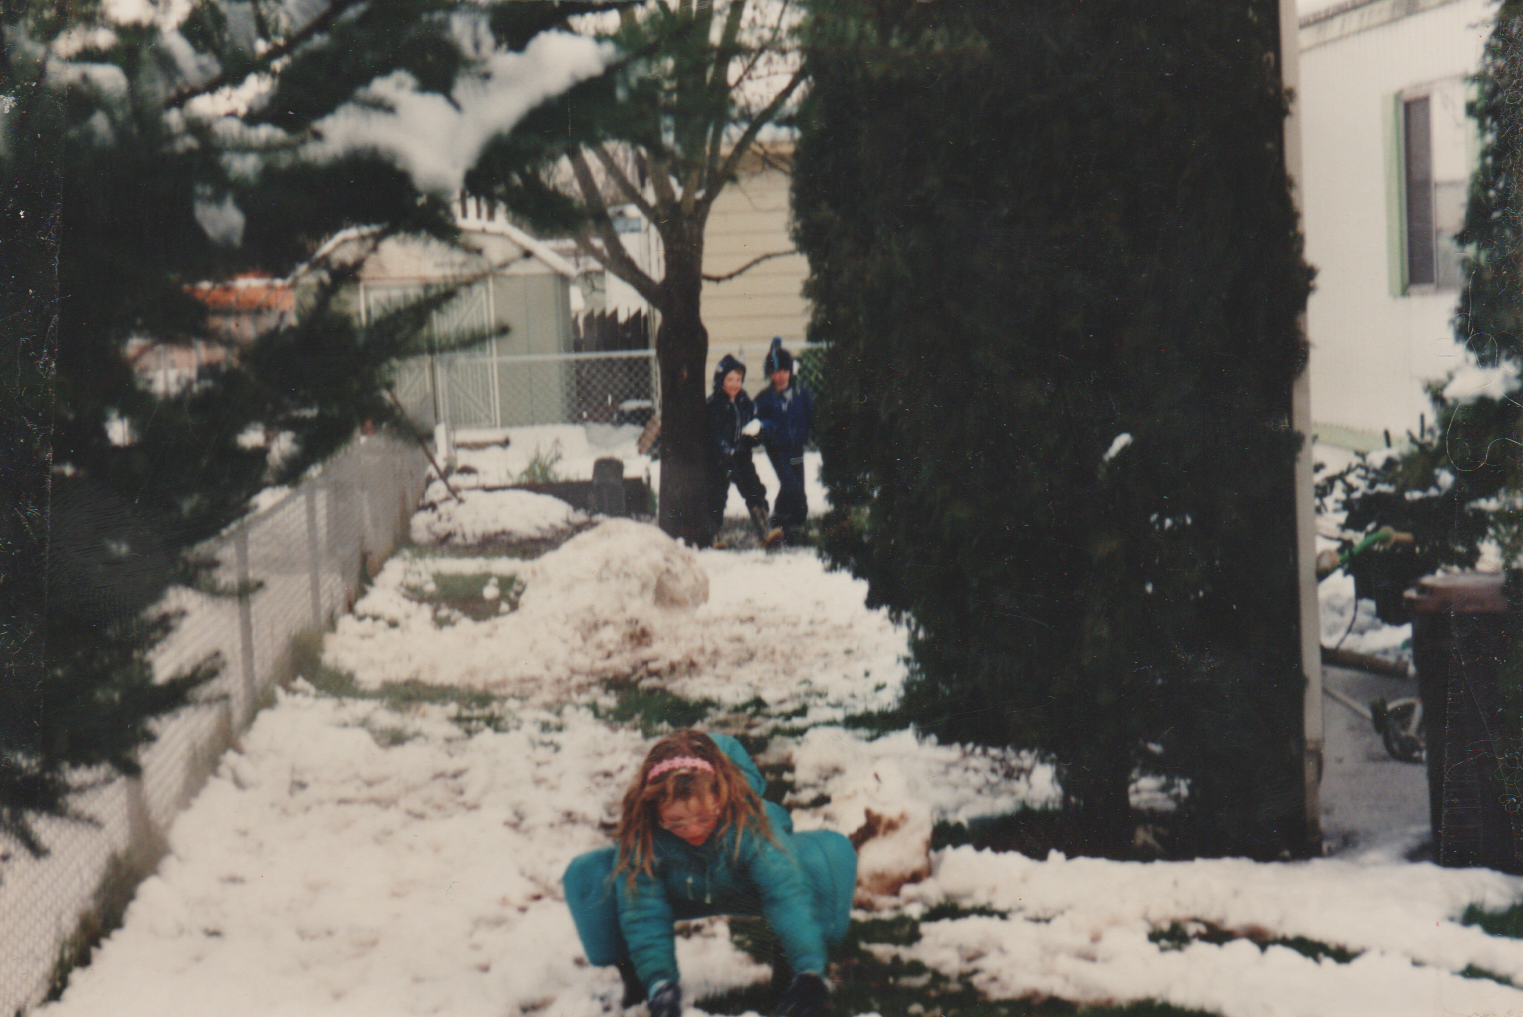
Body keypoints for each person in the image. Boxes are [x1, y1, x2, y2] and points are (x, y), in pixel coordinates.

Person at [562, 730, 856, 1017]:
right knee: (591, 874)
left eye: (704, 817)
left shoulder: (748, 820)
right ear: (654, 807)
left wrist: (809, 968)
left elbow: (785, 891)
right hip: (683, 888)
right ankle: (638, 984)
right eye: (676, 821)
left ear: (722, 796)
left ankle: (792, 977)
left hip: (746, 885)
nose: (692, 829)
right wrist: (659, 982)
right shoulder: (646, 832)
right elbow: (643, 910)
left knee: (821, 862)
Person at [706, 354, 779, 547]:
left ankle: (764, 529)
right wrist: (724, 451)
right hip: (719, 460)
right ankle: (714, 533)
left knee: (754, 489)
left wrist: (755, 435)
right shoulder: (714, 404)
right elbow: (713, 433)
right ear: (720, 380)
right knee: (716, 495)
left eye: (738, 380)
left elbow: (754, 427)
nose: (734, 384)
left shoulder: (746, 403)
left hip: (742, 457)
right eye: (729, 379)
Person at [753, 338, 814, 543]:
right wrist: (763, 432)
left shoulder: (800, 393)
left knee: (797, 481)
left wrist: (812, 430)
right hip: (777, 449)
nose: (780, 376)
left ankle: (789, 521)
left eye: (784, 371)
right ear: (770, 374)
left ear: (790, 371)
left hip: (796, 448)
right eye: (776, 372)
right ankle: (785, 518)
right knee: (790, 483)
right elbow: (756, 421)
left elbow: (811, 414)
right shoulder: (766, 398)